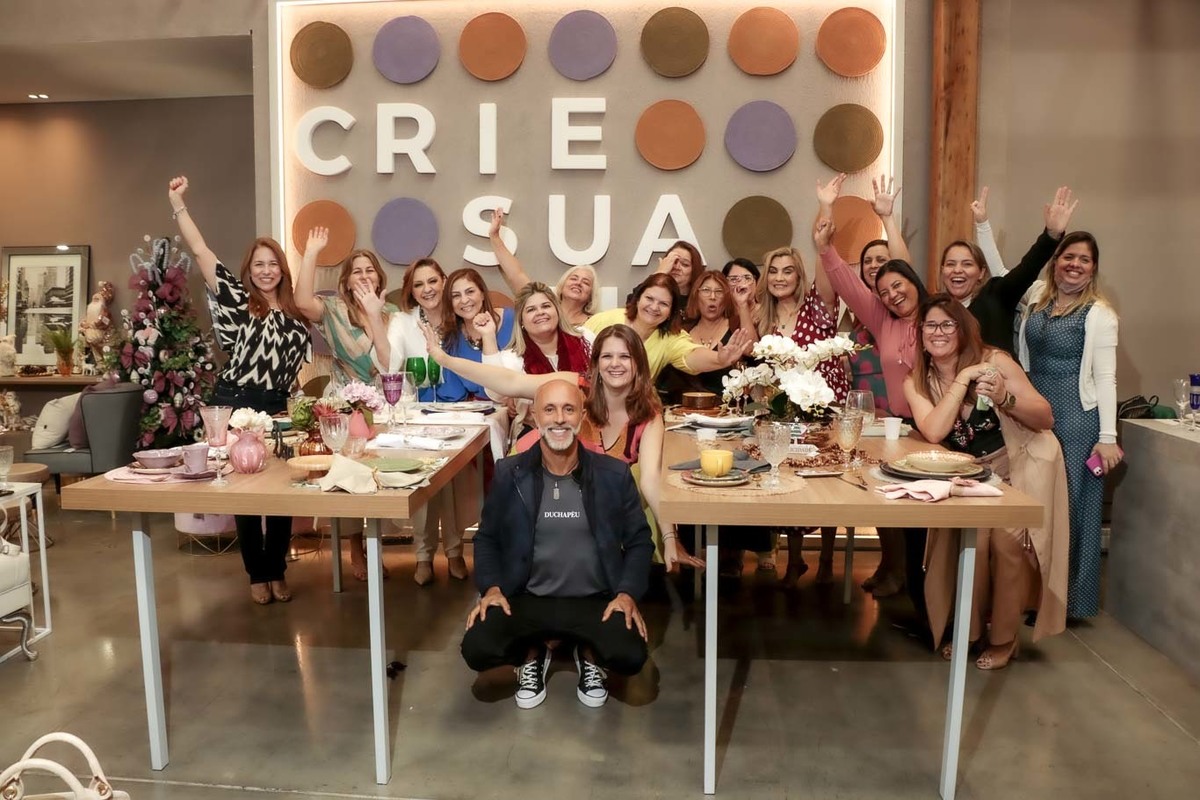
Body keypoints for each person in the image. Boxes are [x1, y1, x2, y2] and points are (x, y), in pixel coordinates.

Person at [420, 321, 704, 574]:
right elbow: (511, 382)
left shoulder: (649, 415)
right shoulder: (577, 386)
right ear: (596, 363)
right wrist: (444, 359)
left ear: (638, 363)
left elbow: (651, 481)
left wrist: (670, 538)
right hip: (552, 503)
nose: (615, 364)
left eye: (624, 356)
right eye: (607, 356)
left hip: (602, 513)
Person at [460, 378, 653, 708]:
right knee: (478, 648)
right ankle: (532, 653)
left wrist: (626, 594)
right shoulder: (510, 473)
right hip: (527, 598)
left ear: (582, 417)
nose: (560, 419)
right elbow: (487, 537)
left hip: (595, 600)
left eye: (568, 409)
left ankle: (588, 653)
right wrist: (491, 588)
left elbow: (639, 541)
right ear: (535, 417)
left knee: (629, 655)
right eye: (549, 410)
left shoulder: (613, 475)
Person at [904, 295, 1069, 668]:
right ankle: (970, 631)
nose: (938, 332)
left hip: (1017, 467)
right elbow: (934, 430)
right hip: (970, 477)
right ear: (921, 333)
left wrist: (1005, 397)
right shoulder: (916, 381)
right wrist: (962, 379)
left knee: (1007, 543)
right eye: (930, 325)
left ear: (963, 330)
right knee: (973, 544)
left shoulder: (996, 361)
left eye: (948, 324)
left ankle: (1004, 638)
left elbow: (1045, 417)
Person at [167, 176, 310, 606]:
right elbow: (201, 251)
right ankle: (257, 575)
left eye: (273, 264)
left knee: (281, 493)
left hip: (278, 405)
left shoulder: (296, 312)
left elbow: (293, 366)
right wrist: (178, 203)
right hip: (236, 402)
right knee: (245, 496)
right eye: (259, 264)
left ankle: (278, 569)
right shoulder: (237, 300)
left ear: (283, 269)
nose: (266, 271)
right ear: (248, 270)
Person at [814, 215, 930, 604]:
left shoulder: (935, 317)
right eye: (884, 291)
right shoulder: (884, 321)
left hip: (937, 428)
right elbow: (848, 286)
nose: (892, 294)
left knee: (926, 522)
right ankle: (914, 591)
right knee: (898, 507)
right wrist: (825, 248)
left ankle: (929, 600)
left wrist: (887, 216)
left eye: (898, 285)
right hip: (901, 427)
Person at [1018, 231, 1121, 619]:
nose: (1075, 264)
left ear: (1093, 268)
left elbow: (1106, 378)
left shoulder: (1099, 314)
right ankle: (1033, 593)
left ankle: (1066, 602)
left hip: (1077, 419)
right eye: (1068, 256)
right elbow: (1003, 275)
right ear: (1055, 260)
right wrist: (982, 225)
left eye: (1084, 259)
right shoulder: (1037, 296)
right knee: (1036, 505)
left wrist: (1107, 438)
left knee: (1072, 508)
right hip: (1035, 414)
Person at [294, 228, 397, 583]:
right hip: (345, 404)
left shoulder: (392, 313)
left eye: (370, 270)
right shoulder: (334, 310)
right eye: (357, 271)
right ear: (347, 282)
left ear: (379, 279)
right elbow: (301, 301)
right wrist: (311, 252)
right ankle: (355, 546)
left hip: (383, 404)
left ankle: (376, 544)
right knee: (348, 477)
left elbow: (391, 362)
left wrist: (375, 316)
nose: (364, 276)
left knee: (380, 476)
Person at [371, 257, 468, 585]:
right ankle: (423, 555)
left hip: (463, 415)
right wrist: (375, 318)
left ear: (444, 281)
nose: (427, 289)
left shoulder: (461, 317)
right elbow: (389, 365)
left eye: (432, 281)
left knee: (452, 486)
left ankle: (454, 551)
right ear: (411, 291)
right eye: (419, 284)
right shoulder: (403, 321)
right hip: (418, 416)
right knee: (423, 483)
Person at [939, 186, 1077, 353]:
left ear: (981, 272)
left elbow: (1027, 268)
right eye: (951, 264)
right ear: (943, 270)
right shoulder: (936, 308)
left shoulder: (996, 296)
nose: (957, 270)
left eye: (967, 264)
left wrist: (1051, 235)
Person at [476, 281, 593, 441]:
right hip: (534, 435)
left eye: (546, 306)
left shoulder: (585, 338)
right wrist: (488, 335)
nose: (540, 312)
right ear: (521, 321)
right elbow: (496, 393)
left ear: (557, 311)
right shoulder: (513, 357)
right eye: (531, 309)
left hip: (589, 430)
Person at [584, 274, 752, 382]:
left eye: (663, 304)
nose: (654, 307)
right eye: (649, 299)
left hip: (635, 411)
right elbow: (574, 353)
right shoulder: (604, 320)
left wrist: (720, 359)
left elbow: (692, 356)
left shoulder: (670, 338)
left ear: (671, 311)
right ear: (638, 299)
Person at [488, 208, 596, 326]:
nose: (578, 283)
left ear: (591, 294)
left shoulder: (595, 322)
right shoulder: (541, 304)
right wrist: (495, 236)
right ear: (562, 285)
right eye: (574, 278)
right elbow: (516, 275)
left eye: (586, 282)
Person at [437, 268, 515, 401]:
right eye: (456, 296)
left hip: (522, 406)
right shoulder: (452, 338)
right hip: (480, 410)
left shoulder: (513, 320)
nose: (464, 300)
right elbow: (452, 394)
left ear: (483, 294)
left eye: (470, 292)